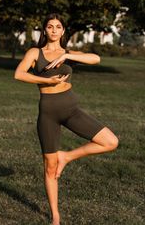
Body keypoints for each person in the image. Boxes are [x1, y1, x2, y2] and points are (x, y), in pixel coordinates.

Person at [14, 13, 119, 225]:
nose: (54, 30)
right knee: (50, 167)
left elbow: (96, 59)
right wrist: (46, 81)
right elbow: (19, 74)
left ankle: (67, 157)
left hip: (71, 109)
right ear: (45, 30)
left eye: (58, 26)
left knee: (110, 142)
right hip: (48, 113)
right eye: (50, 26)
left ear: (63, 31)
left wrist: (65, 57)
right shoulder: (35, 52)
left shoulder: (69, 54)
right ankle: (55, 217)